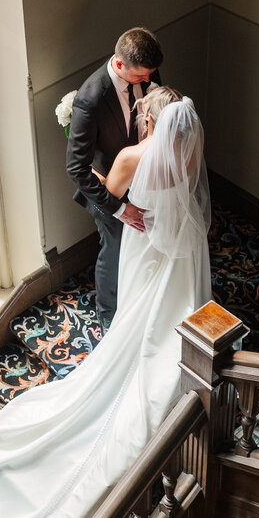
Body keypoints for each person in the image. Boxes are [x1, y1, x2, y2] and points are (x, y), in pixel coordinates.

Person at [0, 88, 212, 518]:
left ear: (149, 119)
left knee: (136, 323)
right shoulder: (191, 149)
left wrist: (92, 168)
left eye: (140, 115)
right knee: (175, 315)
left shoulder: (135, 156)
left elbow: (110, 192)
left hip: (145, 247)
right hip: (183, 248)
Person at [66, 27, 163, 331]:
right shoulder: (90, 98)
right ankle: (108, 314)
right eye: (141, 76)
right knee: (115, 248)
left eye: (151, 75)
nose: (148, 81)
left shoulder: (148, 75)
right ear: (120, 65)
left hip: (144, 179)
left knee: (146, 243)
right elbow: (76, 168)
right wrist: (120, 209)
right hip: (109, 189)